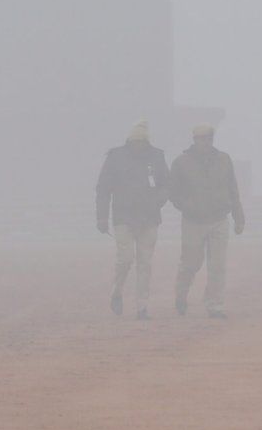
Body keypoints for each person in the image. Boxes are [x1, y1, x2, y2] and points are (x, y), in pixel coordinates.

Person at [168, 123, 245, 318]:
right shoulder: (181, 163)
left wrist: (238, 217)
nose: (205, 142)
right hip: (193, 221)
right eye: (201, 139)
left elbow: (233, 189)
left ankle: (215, 305)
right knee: (191, 263)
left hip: (219, 219)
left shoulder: (224, 160)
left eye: (208, 139)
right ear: (194, 140)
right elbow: (174, 193)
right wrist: (188, 207)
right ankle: (181, 294)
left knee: (217, 266)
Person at [95, 120, 169, 319]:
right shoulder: (115, 157)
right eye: (136, 142)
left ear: (147, 142)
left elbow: (166, 185)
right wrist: (102, 216)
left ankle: (142, 307)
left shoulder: (157, 157)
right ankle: (117, 291)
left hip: (149, 218)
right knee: (125, 259)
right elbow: (103, 189)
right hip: (124, 217)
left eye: (142, 142)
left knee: (145, 264)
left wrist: (157, 203)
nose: (139, 146)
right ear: (129, 141)